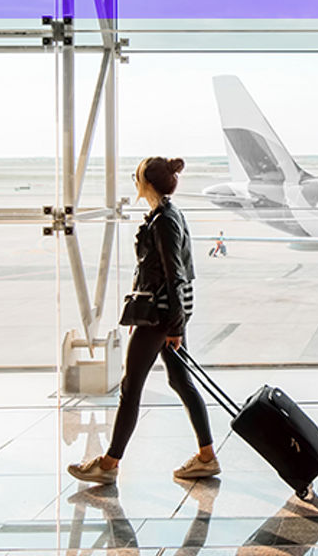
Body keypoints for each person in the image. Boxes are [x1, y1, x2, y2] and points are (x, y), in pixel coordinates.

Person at [67, 156, 220, 484]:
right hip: (169, 312)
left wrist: (175, 326)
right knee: (180, 381)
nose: (134, 180)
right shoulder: (168, 214)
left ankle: (108, 465)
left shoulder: (164, 219)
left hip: (160, 315)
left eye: (136, 176)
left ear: (146, 183)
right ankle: (207, 456)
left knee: (131, 385)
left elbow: (174, 274)